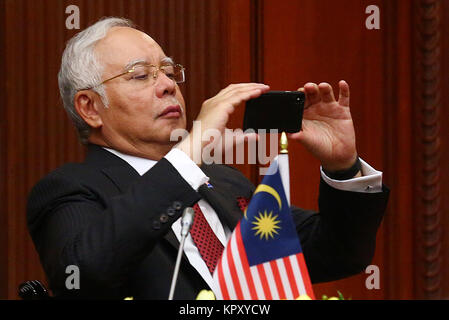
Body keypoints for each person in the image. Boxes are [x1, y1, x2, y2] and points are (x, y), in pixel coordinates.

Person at [27, 17, 389, 299]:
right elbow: (83, 274)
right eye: (140, 75)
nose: (168, 84)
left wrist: (344, 166)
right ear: (90, 108)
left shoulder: (226, 182)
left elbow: (341, 253)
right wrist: (189, 154)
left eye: (169, 71)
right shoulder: (69, 190)